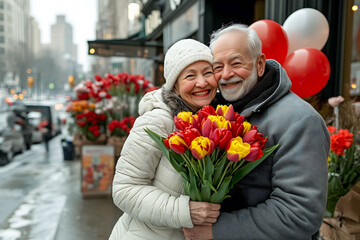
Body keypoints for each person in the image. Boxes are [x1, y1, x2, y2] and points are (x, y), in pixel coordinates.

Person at [183, 24, 330, 240]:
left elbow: (298, 213)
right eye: (217, 67)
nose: (225, 74)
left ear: (260, 65)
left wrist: (215, 230)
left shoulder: (300, 120)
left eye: (236, 63)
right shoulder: (221, 113)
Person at [109, 39, 221, 240]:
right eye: (190, 75)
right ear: (175, 87)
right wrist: (184, 212)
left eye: (208, 72)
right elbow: (124, 189)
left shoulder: (214, 122)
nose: (202, 82)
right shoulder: (158, 120)